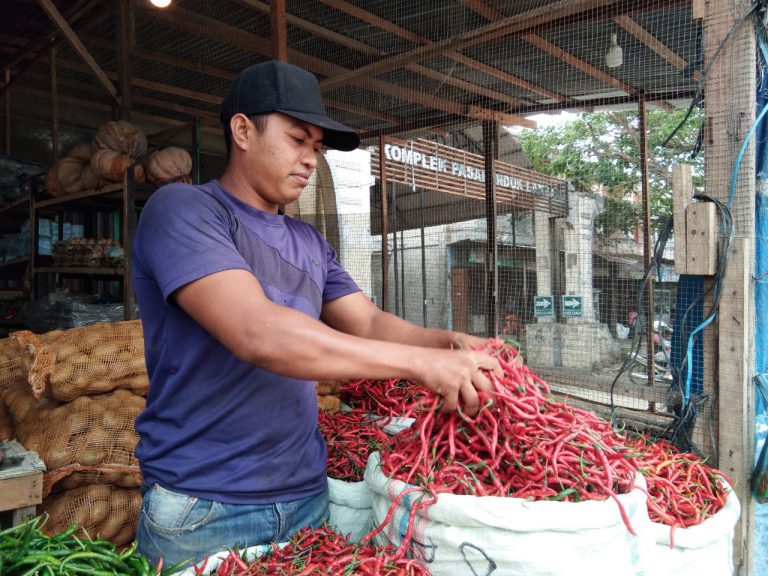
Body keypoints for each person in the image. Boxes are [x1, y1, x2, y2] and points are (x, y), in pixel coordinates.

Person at [132, 60, 503, 568]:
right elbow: (257, 333)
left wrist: (448, 343)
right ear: (242, 130)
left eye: (316, 147)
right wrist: (419, 366)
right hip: (204, 504)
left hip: (306, 496)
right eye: (296, 139)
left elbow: (369, 322)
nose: (310, 159)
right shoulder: (183, 210)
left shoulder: (308, 241)